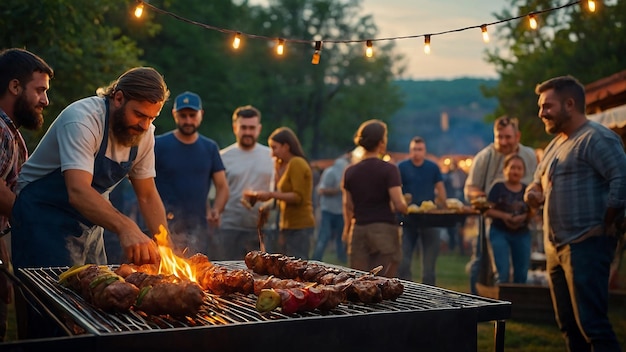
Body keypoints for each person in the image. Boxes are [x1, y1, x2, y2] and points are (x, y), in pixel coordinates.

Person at [11, 67, 170, 269]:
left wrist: (166, 249)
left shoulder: (145, 135)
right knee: (54, 297)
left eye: (152, 118)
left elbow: (147, 195)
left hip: (91, 226)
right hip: (41, 219)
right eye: (139, 115)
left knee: (98, 292)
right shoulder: (83, 119)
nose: (145, 126)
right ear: (118, 98)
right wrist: (126, 227)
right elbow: (78, 191)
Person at [525, 75, 625, 351]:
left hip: (587, 245)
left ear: (570, 104)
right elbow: (537, 178)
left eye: (547, 106)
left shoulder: (597, 137)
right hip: (556, 248)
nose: (541, 113)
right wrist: (532, 192)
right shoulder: (556, 143)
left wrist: (607, 223)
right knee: (569, 326)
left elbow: (622, 179)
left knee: (593, 326)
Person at [0, 48, 53, 342]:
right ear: (15, 86)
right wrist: (36, 222)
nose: (45, 100)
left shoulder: (11, 133)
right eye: (40, 90)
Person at [463, 115, 537, 294]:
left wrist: (529, 213)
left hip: (523, 221)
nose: (503, 142)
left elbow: (535, 184)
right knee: (481, 260)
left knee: (521, 267)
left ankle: (516, 305)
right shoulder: (484, 157)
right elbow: (470, 188)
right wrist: (480, 196)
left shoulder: (529, 155)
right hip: (491, 220)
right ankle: (475, 301)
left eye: (508, 137)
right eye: (499, 137)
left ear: (517, 136)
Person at [154, 91, 228, 257]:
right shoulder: (158, 145)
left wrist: (216, 209)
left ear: (201, 114)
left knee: (196, 276)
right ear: (174, 115)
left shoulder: (209, 148)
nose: (188, 120)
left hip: (197, 228)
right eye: (183, 115)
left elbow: (222, 186)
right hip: (161, 226)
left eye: (192, 115)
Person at [342, 120, 408, 278]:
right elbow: (399, 204)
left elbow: (348, 205)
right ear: (381, 143)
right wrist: (407, 207)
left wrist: (346, 230)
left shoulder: (350, 171)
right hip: (383, 230)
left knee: (359, 280)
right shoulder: (389, 169)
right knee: (382, 281)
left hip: (358, 230)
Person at [218, 105, 274, 260]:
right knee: (228, 274)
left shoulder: (271, 156)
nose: (248, 132)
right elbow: (214, 194)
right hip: (230, 227)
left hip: (263, 228)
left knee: (263, 277)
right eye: (243, 127)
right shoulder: (223, 156)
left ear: (259, 128)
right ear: (235, 127)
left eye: (252, 127)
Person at [253, 127, 315, 259]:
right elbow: (282, 194)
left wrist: (270, 194)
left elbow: (298, 197)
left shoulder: (297, 163)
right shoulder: (284, 165)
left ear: (286, 146)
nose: (272, 153)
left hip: (300, 226)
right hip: (287, 225)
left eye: (274, 148)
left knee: (297, 267)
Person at [397, 137, 446, 285]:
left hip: (429, 219)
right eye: (414, 149)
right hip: (407, 219)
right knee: (404, 261)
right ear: (409, 151)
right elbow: (395, 189)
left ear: (425, 151)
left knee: (429, 265)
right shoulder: (401, 167)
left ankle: (429, 292)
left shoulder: (433, 167)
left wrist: (443, 206)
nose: (416, 152)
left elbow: (441, 190)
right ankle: (406, 292)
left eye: (419, 149)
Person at [484, 154, 531, 284]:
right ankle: (501, 301)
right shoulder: (498, 187)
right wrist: (505, 216)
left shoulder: (527, 189)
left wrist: (523, 217)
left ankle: (517, 302)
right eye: (512, 168)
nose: (515, 171)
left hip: (522, 233)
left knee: (522, 273)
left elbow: (533, 211)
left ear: (523, 171)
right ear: (505, 170)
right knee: (502, 272)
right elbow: (487, 210)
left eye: (519, 168)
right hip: (499, 232)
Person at [311, 154, 350, 263]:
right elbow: (321, 190)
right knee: (324, 236)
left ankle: (342, 259)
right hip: (328, 209)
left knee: (341, 238)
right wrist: (338, 190)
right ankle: (316, 258)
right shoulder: (330, 172)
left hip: (341, 210)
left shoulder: (346, 172)